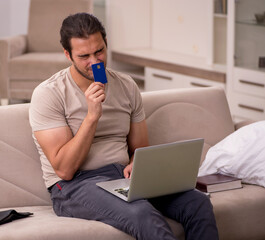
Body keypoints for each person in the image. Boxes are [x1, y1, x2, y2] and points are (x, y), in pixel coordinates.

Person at [29, 12, 219, 240]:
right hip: (75, 186)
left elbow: (139, 148)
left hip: (122, 177)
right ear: (68, 55)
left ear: (106, 44)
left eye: (99, 51)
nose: (95, 61)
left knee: (198, 203)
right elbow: (64, 169)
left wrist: (135, 163)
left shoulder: (126, 86)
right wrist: (92, 116)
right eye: (84, 56)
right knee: (142, 214)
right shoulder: (49, 94)